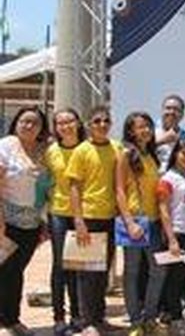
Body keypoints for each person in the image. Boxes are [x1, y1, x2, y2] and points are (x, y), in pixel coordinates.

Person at [66, 106, 120, 336]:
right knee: (86, 274)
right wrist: (78, 220)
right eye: (97, 121)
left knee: (102, 272)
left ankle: (99, 319)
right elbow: (74, 187)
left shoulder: (116, 148)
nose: (102, 125)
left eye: (106, 121)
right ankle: (87, 322)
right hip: (88, 218)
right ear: (89, 124)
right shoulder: (81, 150)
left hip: (109, 219)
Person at [0, 106, 50, 336]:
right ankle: (11, 320)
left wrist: (45, 223)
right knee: (8, 271)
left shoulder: (44, 151)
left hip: (32, 222)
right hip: (6, 220)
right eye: (24, 121)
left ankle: (8, 317)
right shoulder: (6, 146)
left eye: (35, 122)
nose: (29, 126)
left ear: (41, 128)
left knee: (16, 270)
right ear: (16, 123)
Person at [115, 112, 165, 336]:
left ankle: (150, 317)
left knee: (158, 269)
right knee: (132, 272)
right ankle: (135, 322)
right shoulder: (125, 154)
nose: (145, 130)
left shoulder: (151, 155)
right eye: (140, 127)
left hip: (153, 221)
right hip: (134, 220)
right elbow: (119, 190)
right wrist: (128, 222)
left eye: (148, 126)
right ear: (131, 131)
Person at [156, 136, 185, 334]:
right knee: (175, 277)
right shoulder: (168, 178)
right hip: (177, 232)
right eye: (184, 153)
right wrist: (172, 239)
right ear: (175, 153)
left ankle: (176, 311)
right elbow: (164, 210)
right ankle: (174, 318)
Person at [46, 108, 86, 336]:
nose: (65, 126)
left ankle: (78, 314)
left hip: (86, 214)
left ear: (78, 123)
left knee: (79, 266)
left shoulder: (87, 148)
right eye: (60, 123)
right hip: (59, 212)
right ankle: (59, 317)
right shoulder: (51, 151)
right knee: (61, 265)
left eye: (69, 121)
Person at [155, 94, 185, 169]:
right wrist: (161, 141)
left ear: (182, 115)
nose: (171, 112)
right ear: (162, 111)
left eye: (176, 109)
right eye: (168, 108)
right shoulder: (149, 130)